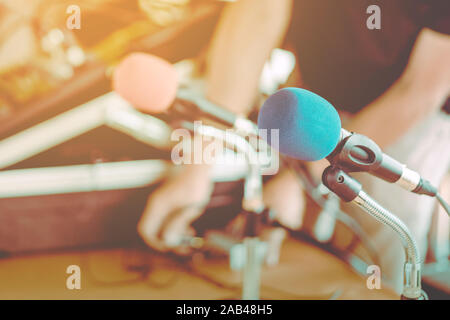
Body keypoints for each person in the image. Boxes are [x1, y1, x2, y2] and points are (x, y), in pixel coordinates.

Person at [137, 0, 450, 293]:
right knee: (293, 244)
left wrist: (301, 178)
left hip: (406, 114)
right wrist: (198, 169)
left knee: (377, 246)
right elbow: (257, 17)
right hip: (314, 96)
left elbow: (418, 93)